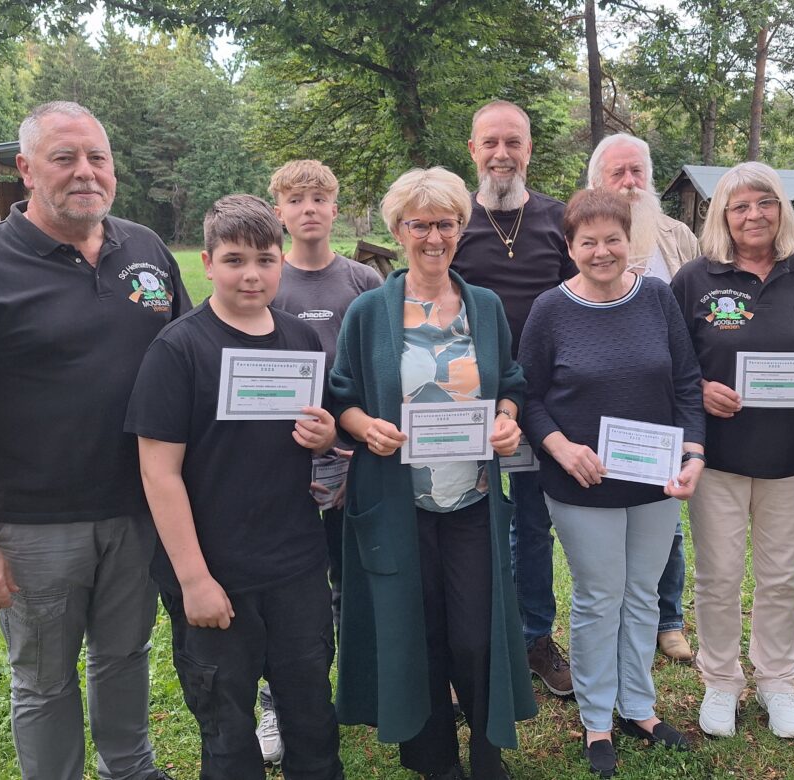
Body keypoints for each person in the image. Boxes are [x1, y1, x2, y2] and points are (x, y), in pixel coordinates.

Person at [0, 101, 187, 780]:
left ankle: (132, 769)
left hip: (138, 509)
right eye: (65, 159)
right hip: (34, 523)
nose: (85, 172)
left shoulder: (146, 251)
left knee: (124, 658)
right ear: (26, 171)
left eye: (98, 157)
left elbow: (191, 364)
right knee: (43, 680)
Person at [126, 195, 343, 780]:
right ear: (207, 262)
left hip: (295, 563)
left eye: (265, 260)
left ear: (281, 263)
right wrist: (195, 580)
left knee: (311, 715)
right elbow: (158, 472)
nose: (252, 274)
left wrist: (323, 436)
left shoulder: (300, 341)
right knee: (227, 729)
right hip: (215, 572)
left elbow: (301, 435)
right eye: (234, 260)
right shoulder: (178, 349)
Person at [330, 167, 535, 780]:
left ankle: (487, 753)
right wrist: (366, 427)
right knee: (413, 634)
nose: (433, 237)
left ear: (460, 229)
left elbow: (513, 383)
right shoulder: (368, 311)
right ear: (398, 229)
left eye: (446, 223)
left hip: (472, 501)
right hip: (398, 505)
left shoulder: (485, 307)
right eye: (420, 224)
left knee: (477, 636)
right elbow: (341, 392)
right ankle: (433, 760)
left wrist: (506, 418)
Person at [517, 189, 706, 779]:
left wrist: (694, 451)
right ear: (570, 247)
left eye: (613, 239)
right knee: (600, 597)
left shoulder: (655, 297)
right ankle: (598, 719)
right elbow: (527, 394)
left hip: (653, 478)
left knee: (643, 594)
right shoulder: (550, 308)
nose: (602, 252)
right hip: (581, 480)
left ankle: (639, 709)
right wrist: (561, 447)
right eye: (588, 242)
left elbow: (686, 382)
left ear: (631, 241)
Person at [668, 161, 794, 739]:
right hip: (716, 456)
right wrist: (697, 389)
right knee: (717, 577)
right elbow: (668, 361)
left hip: (792, 455)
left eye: (764, 202)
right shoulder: (694, 278)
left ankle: (777, 681)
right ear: (721, 215)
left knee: (781, 576)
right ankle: (721, 681)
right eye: (739, 206)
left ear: (782, 209)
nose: (753, 215)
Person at [256, 159, 384, 764]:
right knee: (280, 585)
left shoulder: (362, 280)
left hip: (349, 457)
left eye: (319, 199)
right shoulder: (265, 280)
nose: (308, 209)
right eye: (295, 200)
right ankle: (276, 702)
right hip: (275, 462)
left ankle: (356, 689)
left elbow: (381, 367)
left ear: (336, 209)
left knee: (347, 577)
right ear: (278, 211)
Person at [450, 100, 576, 698]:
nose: (502, 154)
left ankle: (533, 636)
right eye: (490, 143)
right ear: (472, 150)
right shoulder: (450, 223)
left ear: (529, 150)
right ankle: (477, 637)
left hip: (543, 406)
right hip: (462, 404)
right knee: (467, 521)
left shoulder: (558, 220)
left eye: (513, 143)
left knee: (533, 522)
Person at [587, 132, 701, 663]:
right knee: (607, 520)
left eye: (638, 172)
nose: (631, 184)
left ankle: (668, 617)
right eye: (619, 174)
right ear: (598, 183)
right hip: (595, 401)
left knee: (663, 509)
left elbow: (700, 316)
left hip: (659, 401)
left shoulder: (677, 236)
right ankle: (613, 614)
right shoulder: (585, 233)